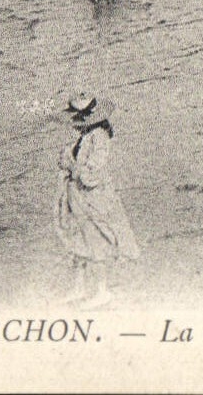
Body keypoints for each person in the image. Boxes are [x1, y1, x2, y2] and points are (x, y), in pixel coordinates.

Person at [54, 94, 139, 308]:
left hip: (93, 198)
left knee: (95, 241)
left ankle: (102, 290)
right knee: (76, 240)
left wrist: (73, 168)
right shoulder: (84, 136)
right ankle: (79, 287)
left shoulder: (99, 137)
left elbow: (94, 172)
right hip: (76, 196)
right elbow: (70, 161)